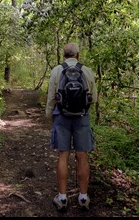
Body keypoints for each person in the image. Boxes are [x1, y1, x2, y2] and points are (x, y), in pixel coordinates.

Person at [45, 42, 97, 212]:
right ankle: (83, 197)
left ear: (64, 55)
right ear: (78, 55)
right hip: (82, 117)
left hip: (61, 116)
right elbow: (93, 98)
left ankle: (62, 198)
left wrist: (48, 114)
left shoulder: (56, 70)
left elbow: (52, 97)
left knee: (63, 155)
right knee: (82, 156)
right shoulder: (87, 70)